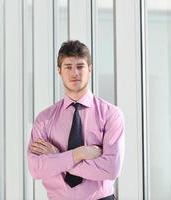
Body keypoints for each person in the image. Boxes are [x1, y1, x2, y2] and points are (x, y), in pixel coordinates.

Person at [27, 40, 125, 200]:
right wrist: (79, 153)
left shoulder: (110, 115)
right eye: (68, 67)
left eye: (80, 66)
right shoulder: (44, 119)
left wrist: (59, 156)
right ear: (59, 70)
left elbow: (111, 168)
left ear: (90, 69)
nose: (75, 73)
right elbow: (36, 168)